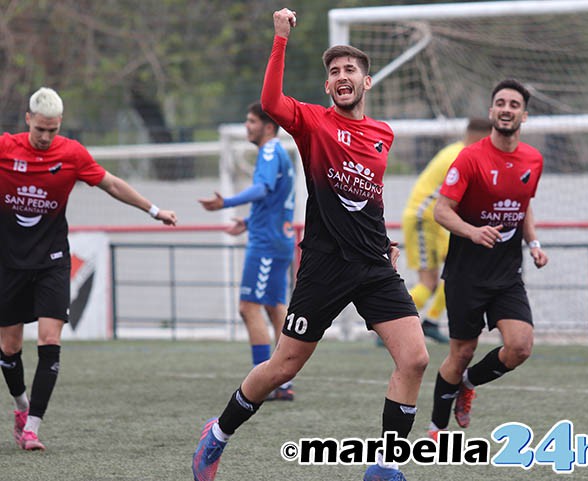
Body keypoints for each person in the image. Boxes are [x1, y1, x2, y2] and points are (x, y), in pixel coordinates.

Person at [193, 8, 428, 481]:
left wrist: (386, 244)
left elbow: (368, 199)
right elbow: (271, 99)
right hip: (324, 266)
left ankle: (384, 467)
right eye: (334, 72)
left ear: (366, 83)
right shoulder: (312, 123)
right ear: (327, 87)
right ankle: (217, 433)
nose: (342, 77)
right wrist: (280, 38)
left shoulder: (384, 135)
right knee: (282, 367)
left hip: (374, 265)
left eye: (350, 71)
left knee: (416, 358)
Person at [0, 87, 177, 451]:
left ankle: (33, 427)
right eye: (40, 130)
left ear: (59, 125)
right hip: (9, 262)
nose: (46, 138)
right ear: (28, 120)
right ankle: (21, 407)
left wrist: (154, 210)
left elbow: (111, 184)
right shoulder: (5, 148)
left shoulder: (72, 154)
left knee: (50, 340)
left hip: (51, 260)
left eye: (53, 130)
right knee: (9, 347)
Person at [427, 79, 548, 440]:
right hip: (466, 274)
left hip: (507, 274)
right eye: (500, 103)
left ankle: (468, 384)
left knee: (520, 346)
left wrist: (535, 243)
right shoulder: (470, 158)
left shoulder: (533, 159)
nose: (507, 109)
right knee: (461, 351)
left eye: (514, 104)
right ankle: (437, 427)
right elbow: (441, 211)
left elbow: (523, 205)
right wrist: (472, 231)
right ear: (492, 111)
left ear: (523, 115)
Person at [198, 101, 296, 401]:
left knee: (248, 307)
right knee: (275, 308)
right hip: (278, 238)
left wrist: (226, 203)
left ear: (268, 126)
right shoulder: (279, 153)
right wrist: (249, 220)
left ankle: (262, 382)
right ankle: (282, 382)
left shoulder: (269, 151)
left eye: (251, 121)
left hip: (267, 244)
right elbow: (275, 199)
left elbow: (264, 189)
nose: (246, 126)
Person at [400, 118, 492, 345]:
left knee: (457, 272)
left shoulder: (459, 152)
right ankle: (392, 322)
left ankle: (430, 322)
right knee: (429, 282)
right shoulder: (460, 157)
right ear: (481, 137)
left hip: (438, 222)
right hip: (424, 219)